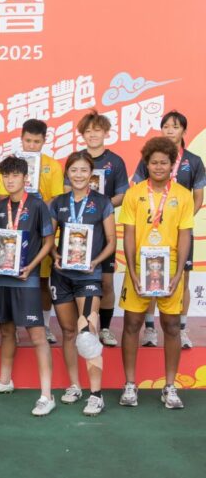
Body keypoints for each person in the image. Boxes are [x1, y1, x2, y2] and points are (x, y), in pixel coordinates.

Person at [0, 156, 56, 416]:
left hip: (27, 279)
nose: (10, 180)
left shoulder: (38, 205)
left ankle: (47, 395)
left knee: (37, 335)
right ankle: (4, 381)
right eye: (6, 176)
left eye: (15, 175)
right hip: (2, 278)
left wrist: (31, 267)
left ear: (25, 178)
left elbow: (48, 241)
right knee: (6, 331)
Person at [119, 137, 193, 410]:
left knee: (172, 326)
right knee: (132, 324)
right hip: (139, 267)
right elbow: (128, 235)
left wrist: (179, 273)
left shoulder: (183, 195)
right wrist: (132, 270)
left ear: (172, 165)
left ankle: (170, 387)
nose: (159, 167)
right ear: (146, 164)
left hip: (170, 268)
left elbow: (185, 235)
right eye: (154, 162)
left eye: (164, 162)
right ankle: (130, 384)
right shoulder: (134, 193)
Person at [49, 151, 116, 416]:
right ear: (67, 173)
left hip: (88, 275)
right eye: (74, 170)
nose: (78, 175)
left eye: (83, 170)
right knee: (68, 332)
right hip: (62, 276)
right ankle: (74, 385)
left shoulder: (102, 202)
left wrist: (95, 261)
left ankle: (96, 395)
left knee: (87, 331)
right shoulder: (58, 202)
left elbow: (111, 241)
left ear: (91, 174)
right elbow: (48, 238)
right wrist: (54, 255)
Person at [132, 111, 204, 349]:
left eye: (175, 126)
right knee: (150, 274)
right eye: (166, 126)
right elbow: (138, 190)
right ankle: (149, 329)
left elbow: (197, 196)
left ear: (184, 131)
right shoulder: (150, 158)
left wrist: (180, 222)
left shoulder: (193, 161)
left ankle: (181, 329)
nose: (170, 130)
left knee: (182, 278)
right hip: (151, 231)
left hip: (179, 231)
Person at [0, 119, 64, 344]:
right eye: (28, 141)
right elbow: (0, 196)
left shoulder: (53, 165)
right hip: (12, 231)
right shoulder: (10, 165)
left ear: (44, 141)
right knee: (10, 275)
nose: (31, 146)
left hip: (39, 228)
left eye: (36, 142)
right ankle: (11, 326)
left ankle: (44, 324)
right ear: (21, 139)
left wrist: (34, 205)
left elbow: (56, 199)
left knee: (41, 280)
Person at [66, 110, 128, 348]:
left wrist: (100, 206)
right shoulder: (76, 159)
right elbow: (67, 190)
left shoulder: (115, 161)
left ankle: (104, 328)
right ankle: (80, 328)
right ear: (83, 134)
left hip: (103, 229)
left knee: (106, 282)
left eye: (97, 130)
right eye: (88, 131)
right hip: (77, 232)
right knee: (76, 280)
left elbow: (122, 194)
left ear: (106, 133)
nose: (92, 135)